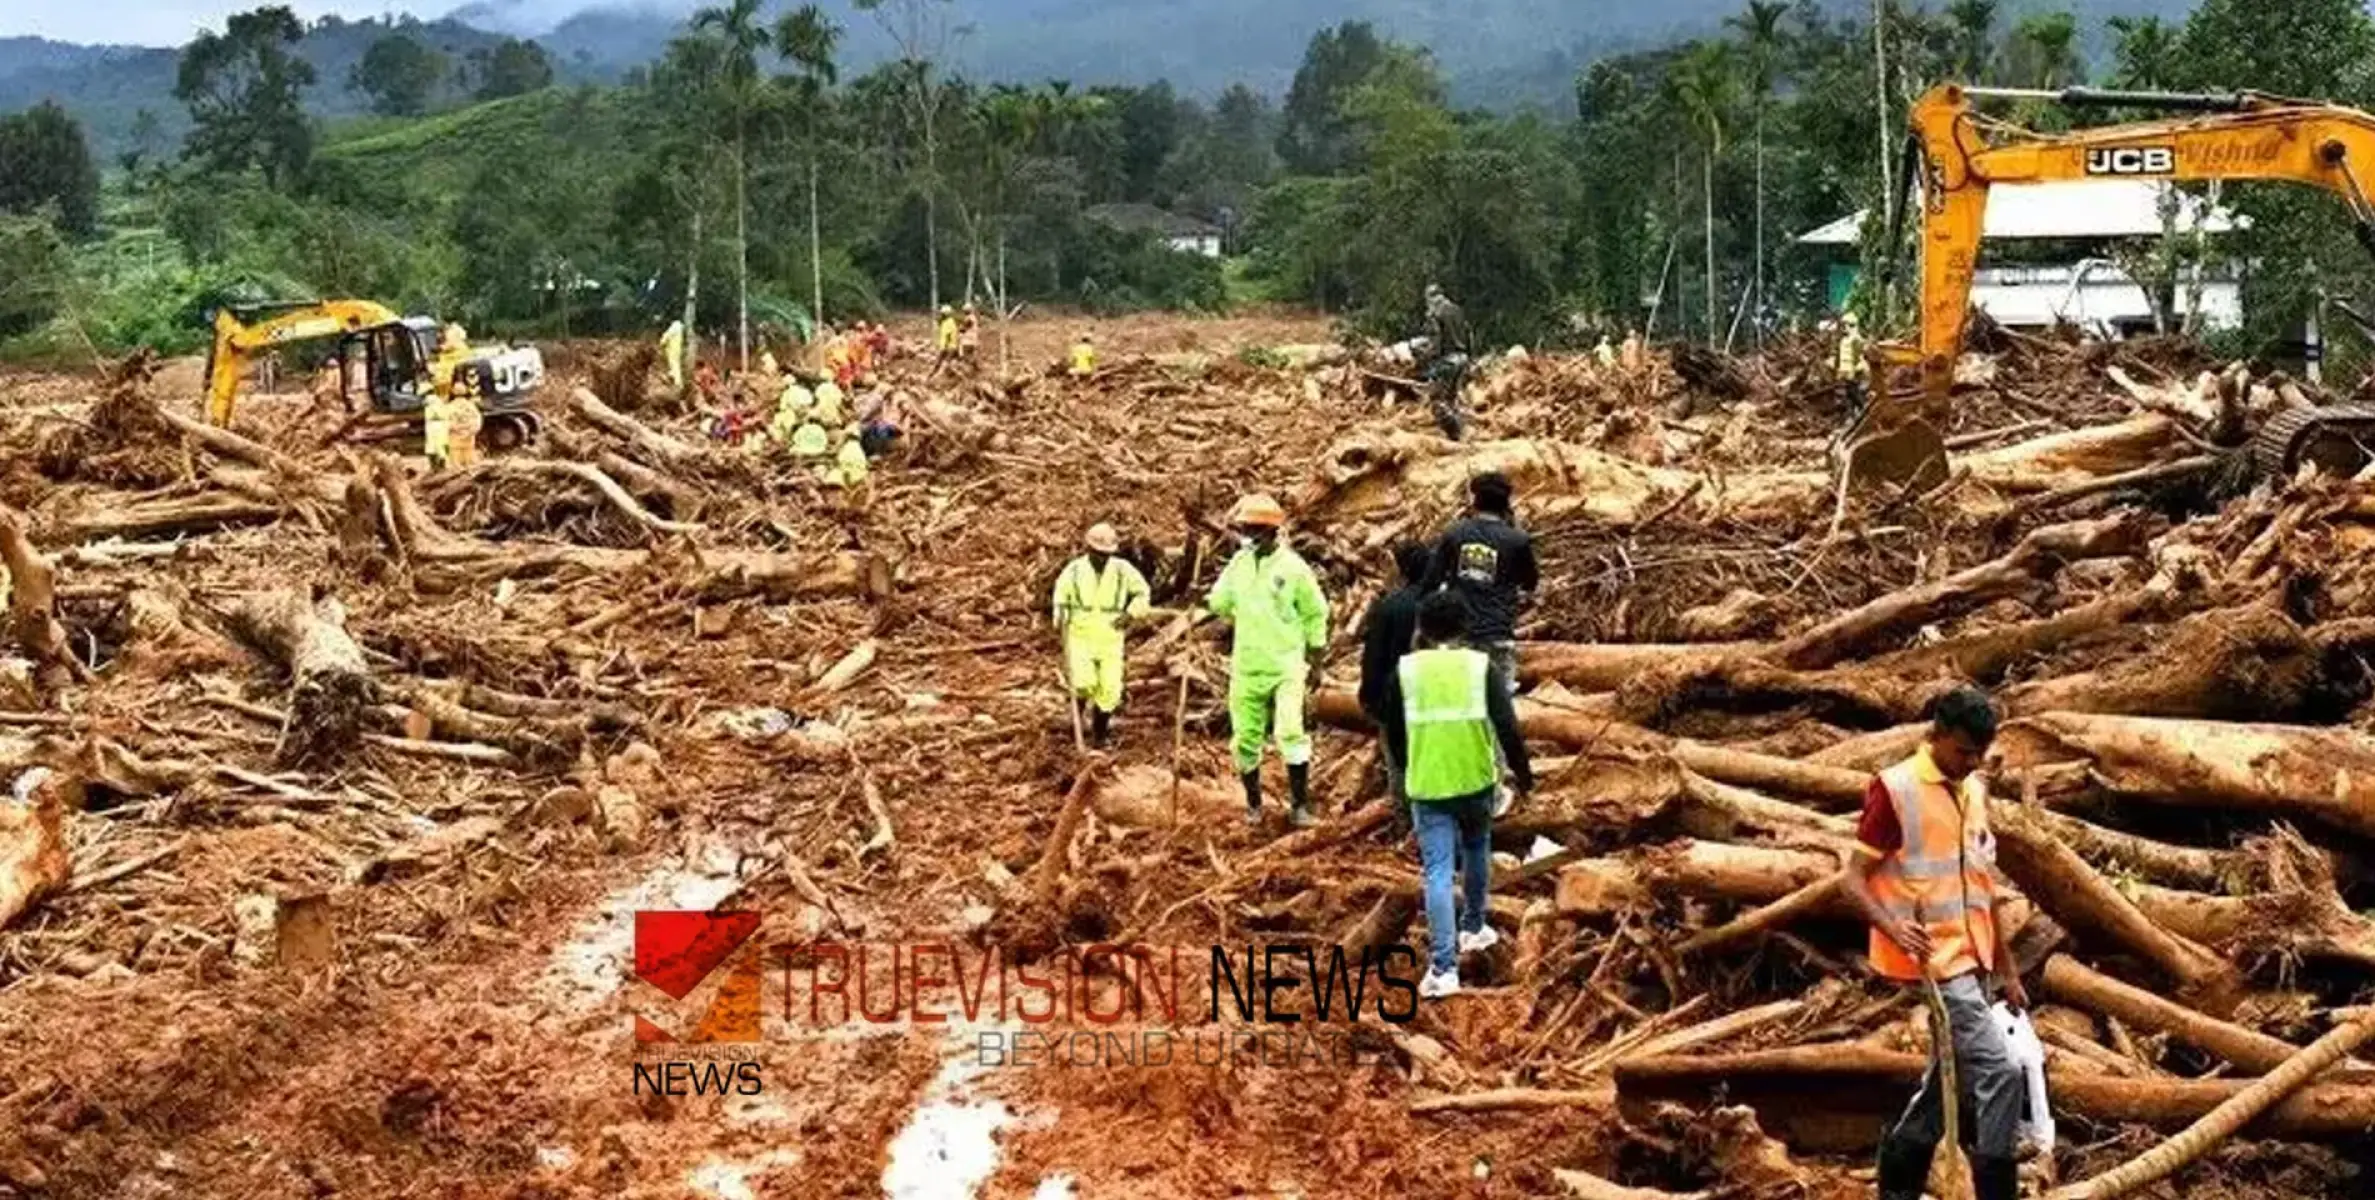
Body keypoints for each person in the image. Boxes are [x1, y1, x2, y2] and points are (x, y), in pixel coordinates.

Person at [1840, 686, 2026, 1200]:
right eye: (1962, 751)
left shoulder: (1974, 791)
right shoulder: (1895, 789)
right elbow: (1851, 880)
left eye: (1978, 754)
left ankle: (1896, 1186)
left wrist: (2006, 968)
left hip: (1976, 957)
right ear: (1936, 736)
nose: (1970, 763)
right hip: (1935, 962)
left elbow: (1982, 886)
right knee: (2001, 1072)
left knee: (1957, 1073)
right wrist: (1892, 926)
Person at [1387, 592, 1533, 999]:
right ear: (1464, 626)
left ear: (1424, 627)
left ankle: (1443, 968)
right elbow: (1507, 725)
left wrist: (1406, 766)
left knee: (1436, 871)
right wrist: (1523, 775)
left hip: (1429, 784)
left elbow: (1394, 733)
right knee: (1476, 849)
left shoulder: (1406, 671)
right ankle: (1473, 926)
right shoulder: (1479, 667)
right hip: (1476, 780)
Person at [1207, 493, 1330, 828]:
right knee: (1245, 737)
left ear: (1272, 531)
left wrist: (1316, 661)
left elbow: (1315, 613)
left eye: (1253, 529)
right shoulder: (1240, 564)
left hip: (1286, 663)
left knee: (1290, 731)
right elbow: (1219, 600)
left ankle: (1300, 806)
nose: (1248, 536)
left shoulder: (1293, 569)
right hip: (1247, 664)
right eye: (1245, 529)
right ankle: (1253, 805)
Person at [1424, 472, 1537, 692]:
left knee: (1456, 696)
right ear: (1506, 505)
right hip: (1498, 632)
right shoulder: (1517, 540)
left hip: (1458, 633)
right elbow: (1530, 583)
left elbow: (1431, 580)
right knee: (1500, 702)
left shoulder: (1455, 533)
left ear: (1476, 501)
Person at [1053, 523, 1152, 747]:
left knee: (1110, 689)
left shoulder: (1122, 570)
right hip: (1081, 633)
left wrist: (1130, 614)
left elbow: (1142, 592)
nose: (1102, 559)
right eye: (1098, 554)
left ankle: (1100, 736)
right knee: (1083, 682)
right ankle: (1076, 726)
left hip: (1110, 635)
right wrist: (1061, 617)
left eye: (1106, 555)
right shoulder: (1075, 570)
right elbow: (1061, 596)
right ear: (1088, 549)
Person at [1359, 541, 1435, 807]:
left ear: (1402, 570)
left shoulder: (1390, 607)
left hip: (1395, 700)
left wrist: (1369, 698)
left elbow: (1374, 656)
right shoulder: (1442, 604)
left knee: (1399, 765)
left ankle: (1405, 820)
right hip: (1437, 696)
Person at [1419, 283, 1473, 439]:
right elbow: (1469, 335)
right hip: (1462, 358)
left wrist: (1426, 359)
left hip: (1447, 361)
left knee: (1437, 401)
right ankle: (1459, 434)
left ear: (1429, 297)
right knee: (1452, 400)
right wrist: (1470, 358)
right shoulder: (1457, 310)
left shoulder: (1434, 313)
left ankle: (1459, 434)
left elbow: (1435, 341)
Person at [445, 368, 485, 469]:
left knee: (456, 464)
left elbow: (446, 424)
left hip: (455, 439)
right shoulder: (471, 406)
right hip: (469, 438)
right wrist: (470, 431)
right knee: (470, 461)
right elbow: (477, 420)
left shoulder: (449, 407)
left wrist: (456, 429)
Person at [1835, 310, 1869, 418]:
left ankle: (1863, 411)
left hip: (1854, 371)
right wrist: (1839, 369)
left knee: (1854, 392)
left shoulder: (1856, 340)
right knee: (1849, 393)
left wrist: (1855, 370)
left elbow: (1858, 356)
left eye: (1846, 325)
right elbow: (1841, 356)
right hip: (1845, 370)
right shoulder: (1844, 340)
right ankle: (1854, 414)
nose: (1844, 328)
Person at [421, 382, 454, 471]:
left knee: (432, 447)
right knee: (441, 446)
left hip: (434, 426)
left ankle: (435, 467)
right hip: (442, 425)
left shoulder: (430, 400)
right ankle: (441, 466)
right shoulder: (439, 400)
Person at [660, 320, 686, 391]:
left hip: (672, 349)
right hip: (677, 349)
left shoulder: (675, 326)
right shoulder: (680, 329)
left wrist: (662, 342)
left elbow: (667, 335)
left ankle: (678, 384)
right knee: (674, 365)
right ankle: (671, 376)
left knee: (674, 365)